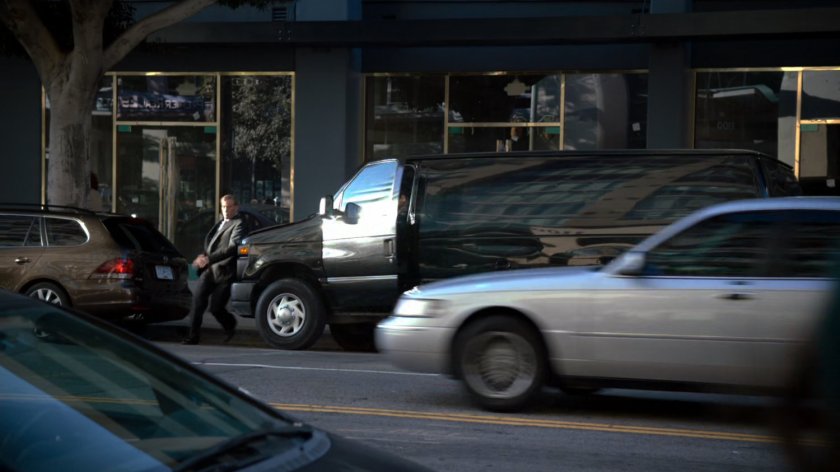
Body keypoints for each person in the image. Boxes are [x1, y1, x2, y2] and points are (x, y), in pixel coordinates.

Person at [181, 194, 246, 345]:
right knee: (198, 302)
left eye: (229, 206)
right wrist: (203, 257)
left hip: (224, 272)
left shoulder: (239, 224)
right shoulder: (220, 223)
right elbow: (212, 245)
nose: (226, 210)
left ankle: (230, 325)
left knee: (216, 308)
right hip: (209, 271)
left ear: (236, 207)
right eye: (223, 206)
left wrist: (209, 258)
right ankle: (193, 336)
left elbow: (232, 247)